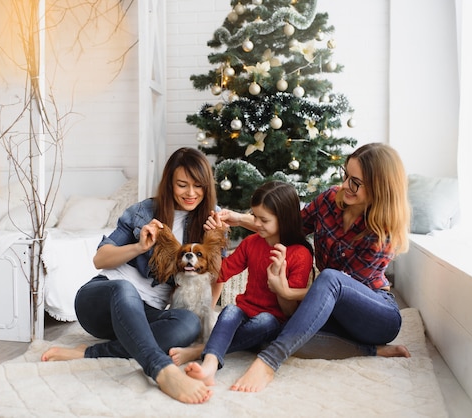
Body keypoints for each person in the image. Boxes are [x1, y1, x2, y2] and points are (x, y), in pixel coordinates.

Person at [203, 142, 411, 392]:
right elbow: (288, 227)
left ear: (380, 188)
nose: (345, 185)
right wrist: (238, 218)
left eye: (355, 182)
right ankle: (372, 351)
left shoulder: (382, 234)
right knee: (279, 329)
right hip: (332, 314)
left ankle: (268, 363)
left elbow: (342, 288)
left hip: (375, 315)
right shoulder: (330, 202)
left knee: (330, 279)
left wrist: (288, 293)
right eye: (345, 175)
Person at [41, 147, 219, 404]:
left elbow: (216, 274)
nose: (191, 193)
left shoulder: (210, 219)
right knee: (126, 288)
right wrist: (139, 247)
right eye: (182, 185)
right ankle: (162, 370)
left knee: (189, 324)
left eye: (198, 186)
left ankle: (89, 353)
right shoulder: (144, 212)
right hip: (104, 299)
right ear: (169, 183)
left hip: (147, 314)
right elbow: (99, 259)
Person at [181, 181, 314, 386]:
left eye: (263, 219)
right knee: (231, 310)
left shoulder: (300, 254)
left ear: (284, 220)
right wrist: (214, 240)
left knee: (266, 321)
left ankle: (202, 349)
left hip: (271, 324)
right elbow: (221, 274)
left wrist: (278, 281)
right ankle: (209, 365)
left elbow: (289, 312)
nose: (256, 223)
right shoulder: (252, 243)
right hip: (245, 315)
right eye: (254, 216)